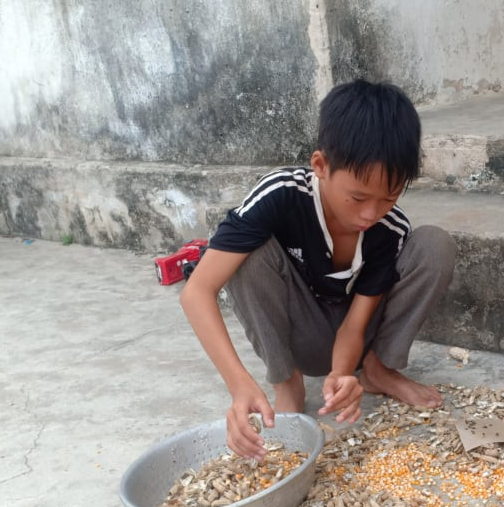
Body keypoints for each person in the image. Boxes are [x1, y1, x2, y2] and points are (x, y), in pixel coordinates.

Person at [180, 79, 456, 460]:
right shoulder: (280, 194)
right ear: (320, 165)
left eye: (388, 198)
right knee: (247, 255)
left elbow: (354, 326)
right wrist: (239, 384)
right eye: (358, 197)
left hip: (355, 338)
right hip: (301, 335)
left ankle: (379, 370)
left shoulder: (388, 228)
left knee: (433, 244)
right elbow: (196, 292)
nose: (370, 214)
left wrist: (342, 376)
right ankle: (285, 382)